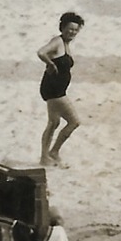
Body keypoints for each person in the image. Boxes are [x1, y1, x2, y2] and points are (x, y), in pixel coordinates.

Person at [37, 12, 83, 165]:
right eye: (70, 29)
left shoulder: (65, 44)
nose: (72, 32)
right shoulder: (57, 41)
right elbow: (41, 52)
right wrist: (50, 64)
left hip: (54, 89)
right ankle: (53, 152)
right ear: (62, 28)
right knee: (74, 121)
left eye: (75, 30)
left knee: (54, 123)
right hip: (54, 90)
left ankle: (45, 157)